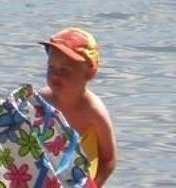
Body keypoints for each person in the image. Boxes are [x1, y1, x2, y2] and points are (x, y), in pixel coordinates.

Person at [38, 27, 117, 188]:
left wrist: (94, 185)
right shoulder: (41, 100)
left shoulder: (93, 110)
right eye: (50, 68)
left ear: (89, 73)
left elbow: (109, 159)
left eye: (64, 70)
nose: (54, 76)